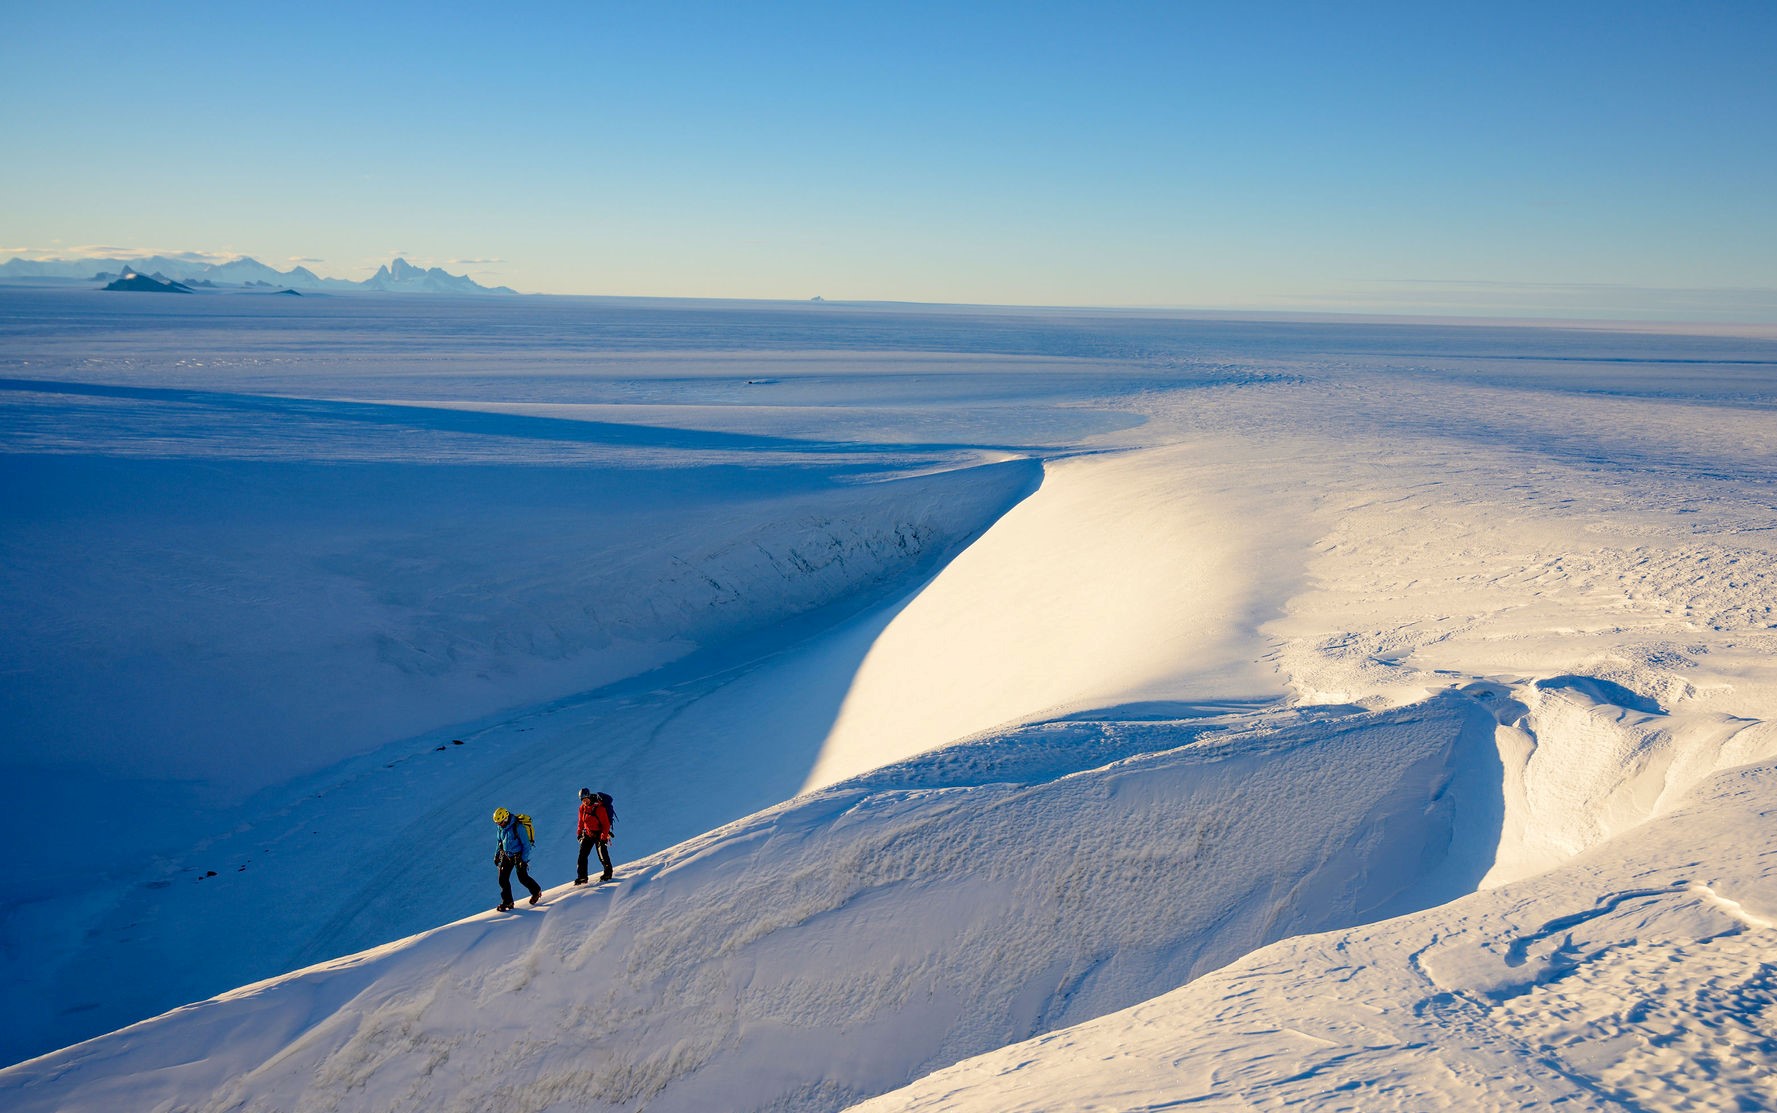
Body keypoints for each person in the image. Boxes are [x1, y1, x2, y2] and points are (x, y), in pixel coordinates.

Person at [492, 807, 543, 911]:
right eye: (497, 823)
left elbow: (526, 845)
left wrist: (523, 861)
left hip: (518, 856)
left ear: (505, 818)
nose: (499, 825)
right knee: (502, 879)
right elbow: (499, 841)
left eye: (500, 822)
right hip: (507, 855)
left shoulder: (518, 827)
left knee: (522, 878)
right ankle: (508, 902)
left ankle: (536, 891)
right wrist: (497, 854)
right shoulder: (501, 828)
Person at [575, 787, 614, 884]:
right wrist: (579, 833)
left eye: (586, 799)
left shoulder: (599, 808)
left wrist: (603, 837)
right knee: (582, 856)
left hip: (599, 834)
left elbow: (606, 824)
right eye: (583, 800)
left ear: (589, 796)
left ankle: (608, 874)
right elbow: (581, 821)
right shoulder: (582, 808)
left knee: (602, 855)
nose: (585, 802)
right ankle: (582, 877)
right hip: (588, 834)